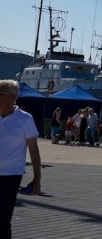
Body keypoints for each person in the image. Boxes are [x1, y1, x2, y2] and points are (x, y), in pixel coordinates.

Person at [0, 80, 42, 238]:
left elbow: (34, 150)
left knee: (3, 220)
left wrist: (37, 178)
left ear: (11, 97)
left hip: (10, 176)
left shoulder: (25, 119)